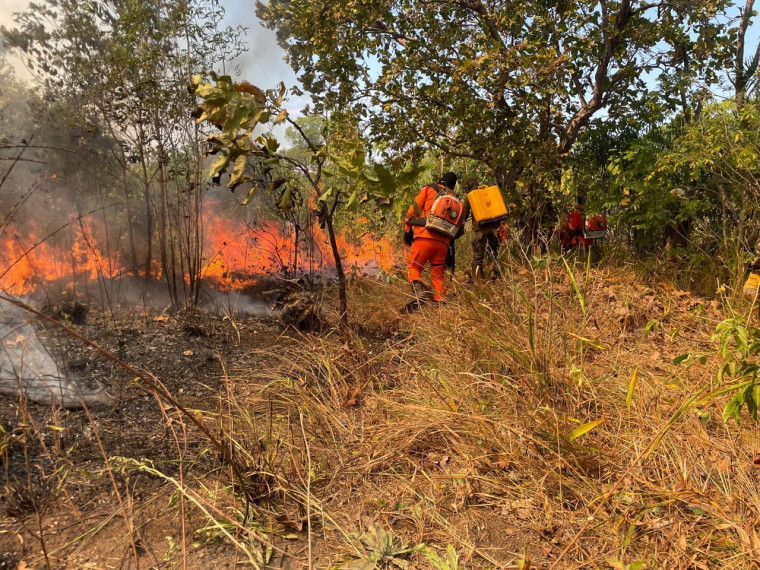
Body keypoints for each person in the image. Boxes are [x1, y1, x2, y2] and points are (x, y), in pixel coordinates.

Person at [403, 171, 459, 309]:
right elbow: (458, 226)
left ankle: (419, 295)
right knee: (437, 274)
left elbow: (412, 211)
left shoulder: (428, 189)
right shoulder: (456, 200)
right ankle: (441, 302)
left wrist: (407, 230)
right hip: (443, 244)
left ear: (441, 179)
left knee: (414, 267)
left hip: (424, 237)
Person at [460, 177, 507, 280]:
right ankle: (493, 273)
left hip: (480, 230)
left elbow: (464, 213)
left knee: (478, 257)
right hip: (495, 228)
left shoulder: (471, 196)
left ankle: (479, 281)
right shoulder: (488, 192)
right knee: (493, 252)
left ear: (467, 187)